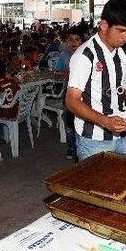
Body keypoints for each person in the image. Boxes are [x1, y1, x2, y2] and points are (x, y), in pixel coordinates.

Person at [65, 0, 126, 161]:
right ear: (103, 25)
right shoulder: (85, 55)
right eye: (121, 30)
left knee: (123, 183)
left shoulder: (125, 52)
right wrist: (105, 121)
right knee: (97, 185)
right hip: (93, 140)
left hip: (122, 134)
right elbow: (72, 101)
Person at [54, 28, 83, 160]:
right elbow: (57, 72)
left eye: (77, 39)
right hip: (69, 93)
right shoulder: (64, 55)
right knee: (70, 123)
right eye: (70, 39)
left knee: (83, 122)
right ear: (66, 42)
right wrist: (64, 72)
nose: (73, 42)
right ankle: (71, 147)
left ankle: (82, 147)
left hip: (85, 94)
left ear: (82, 41)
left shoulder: (87, 54)